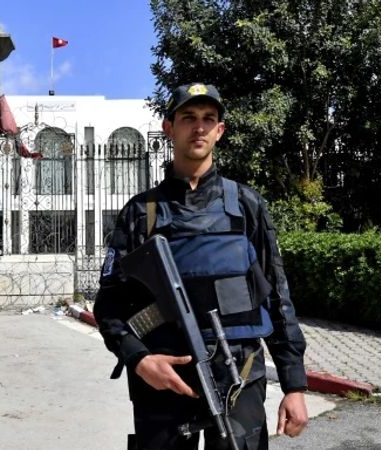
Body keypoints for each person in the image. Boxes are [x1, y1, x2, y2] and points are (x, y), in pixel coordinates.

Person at [93, 83, 309, 449]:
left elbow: (276, 296)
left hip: (238, 374)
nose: (199, 128)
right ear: (169, 128)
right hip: (164, 378)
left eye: (209, 119)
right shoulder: (141, 213)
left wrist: (295, 384)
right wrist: (140, 360)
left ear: (219, 131)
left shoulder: (245, 205)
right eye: (188, 118)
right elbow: (109, 305)